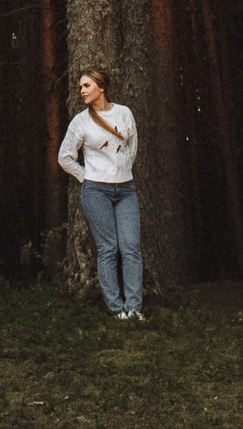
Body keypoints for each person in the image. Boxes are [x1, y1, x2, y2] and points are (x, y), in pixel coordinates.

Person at [56, 67, 143, 320]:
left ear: (101, 87)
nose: (82, 91)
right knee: (108, 248)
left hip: (126, 189)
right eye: (81, 87)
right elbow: (65, 157)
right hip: (96, 192)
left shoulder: (124, 113)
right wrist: (86, 177)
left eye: (87, 86)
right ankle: (117, 310)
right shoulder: (80, 121)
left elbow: (132, 148)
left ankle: (135, 308)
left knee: (131, 248)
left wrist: (121, 170)